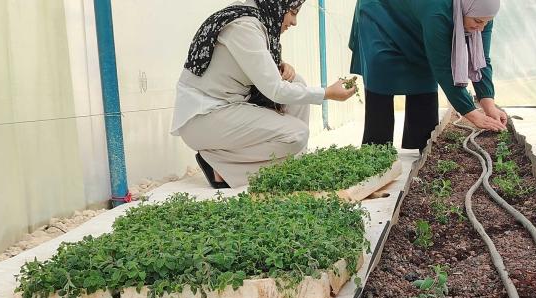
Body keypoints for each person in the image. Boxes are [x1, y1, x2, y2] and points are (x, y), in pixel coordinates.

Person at [171, 0, 357, 189]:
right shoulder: (243, 26)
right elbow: (275, 90)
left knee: (296, 81)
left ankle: (296, 163)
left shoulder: (255, 21)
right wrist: (327, 93)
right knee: (297, 135)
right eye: (292, 12)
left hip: (226, 109)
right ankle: (219, 164)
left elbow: (254, 64)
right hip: (204, 117)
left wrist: (280, 64)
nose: (294, 22)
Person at [349, 0, 506, 152]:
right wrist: (471, 113)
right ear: (465, 8)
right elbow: (442, 67)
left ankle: (422, 141)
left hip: (414, 14)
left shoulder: (481, 12)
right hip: (379, 10)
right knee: (382, 69)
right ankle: (377, 148)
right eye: (478, 21)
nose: (481, 27)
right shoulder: (437, 10)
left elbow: (481, 60)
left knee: (423, 70)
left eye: (487, 22)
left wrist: (489, 106)